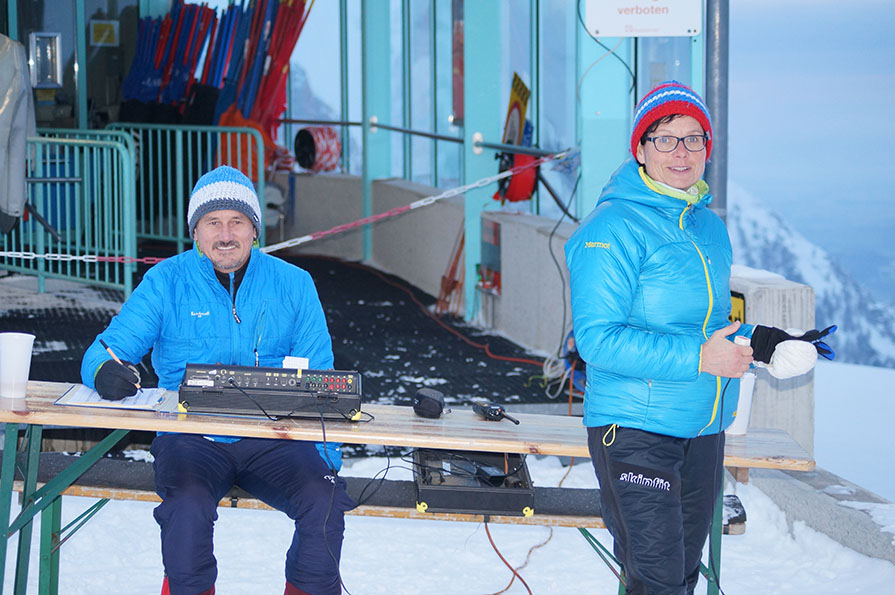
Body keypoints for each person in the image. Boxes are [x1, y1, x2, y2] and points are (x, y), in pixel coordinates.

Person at [564, 81, 834, 594]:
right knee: (659, 581)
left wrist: (766, 342)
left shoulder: (707, 227)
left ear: (708, 148)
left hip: (704, 430)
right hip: (636, 430)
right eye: (665, 139)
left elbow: (711, 327)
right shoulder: (611, 228)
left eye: (694, 139)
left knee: (683, 576)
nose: (682, 152)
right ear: (641, 149)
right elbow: (597, 341)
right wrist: (699, 357)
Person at [81, 165, 354, 595]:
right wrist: (104, 372)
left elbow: (321, 381)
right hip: (192, 438)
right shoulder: (166, 282)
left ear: (255, 229)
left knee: (325, 502)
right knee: (186, 508)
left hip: (276, 438)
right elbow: (104, 351)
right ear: (195, 231)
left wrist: (325, 460)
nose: (225, 235)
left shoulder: (294, 285)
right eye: (213, 222)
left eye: (237, 222)